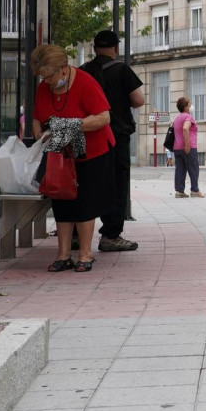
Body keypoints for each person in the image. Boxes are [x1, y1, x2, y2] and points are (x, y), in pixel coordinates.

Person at [30, 44, 114, 273]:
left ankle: (86, 253)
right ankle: (63, 254)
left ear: (64, 69)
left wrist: (71, 125)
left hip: (91, 151)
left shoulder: (86, 82)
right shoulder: (43, 88)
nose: (46, 81)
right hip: (60, 154)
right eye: (42, 76)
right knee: (62, 200)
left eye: (49, 75)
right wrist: (40, 131)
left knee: (85, 202)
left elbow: (103, 117)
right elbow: (37, 117)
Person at [84, 30, 145, 253]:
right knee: (117, 184)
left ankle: (76, 235)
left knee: (88, 182)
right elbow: (138, 101)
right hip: (116, 136)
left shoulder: (84, 71)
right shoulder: (121, 70)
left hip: (89, 134)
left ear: (93, 48)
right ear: (116, 48)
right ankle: (110, 235)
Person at [172, 96, 204, 198]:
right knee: (193, 168)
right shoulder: (188, 117)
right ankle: (195, 190)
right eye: (190, 105)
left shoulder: (177, 118)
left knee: (180, 169)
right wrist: (187, 145)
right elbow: (185, 128)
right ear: (185, 108)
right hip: (188, 147)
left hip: (177, 147)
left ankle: (179, 191)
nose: (191, 107)